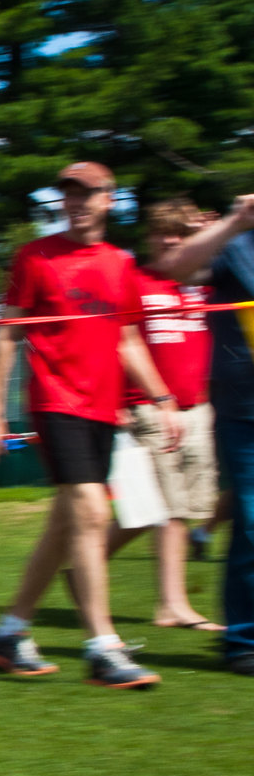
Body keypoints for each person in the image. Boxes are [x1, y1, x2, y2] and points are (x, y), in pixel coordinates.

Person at [0, 162, 180, 688]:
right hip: (55, 401)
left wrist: (162, 398)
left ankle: (9, 632)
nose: (76, 202)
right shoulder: (34, 256)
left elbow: (128, 340)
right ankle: (103, 648)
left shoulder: (121, 264)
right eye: (69, 193)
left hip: (103, 408)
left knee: (67, 525)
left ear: (110, 199)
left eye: (88, 193)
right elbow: (7, 335)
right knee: (91, 511)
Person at [102, 200, 221, 631]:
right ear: (148, 237)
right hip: (149, 406)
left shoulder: (203, 285)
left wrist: (218, 234)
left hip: (197, 408)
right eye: (162, 232)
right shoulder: (133, 280)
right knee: (168, 509)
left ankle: (83, 563)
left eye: (181, 233)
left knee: (167, 509)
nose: (171, 240)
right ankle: (172, 605)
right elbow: (116, 343)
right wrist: (122, 403)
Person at [151, 189, 254, 675]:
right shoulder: (236, 244)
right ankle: (244, 641)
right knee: (251, 525)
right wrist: (233, 222)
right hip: (245, 411)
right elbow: (176, 268)